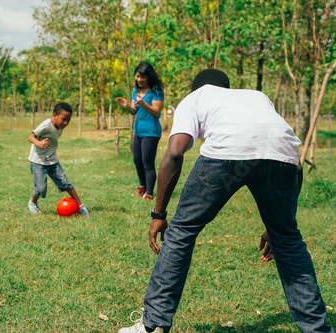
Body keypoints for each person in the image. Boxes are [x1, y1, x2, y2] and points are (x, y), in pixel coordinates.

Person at [120, 69, 334, 333]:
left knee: (181, 232)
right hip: (283, 159)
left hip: (226, 153)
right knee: (288, 241)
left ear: (196, 87)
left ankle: (153, 325)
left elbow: (175, 152)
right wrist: (279, 226)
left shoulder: (195, 98)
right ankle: (317, 329)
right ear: (227, 87)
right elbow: (294, 162)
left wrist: (159, 215)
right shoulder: (257, 97)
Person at [27, 102, 89, 216]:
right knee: (40, 188)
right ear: (54, 115)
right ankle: (32, 203)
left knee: (66, 183)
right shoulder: (46, 125)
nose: (65, 123)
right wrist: (39, 143)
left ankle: (81, 207)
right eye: (63, 119)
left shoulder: (60, 126)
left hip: (52, 161)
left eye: (68, 121)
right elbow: (31, 136)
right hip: (38, 161)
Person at [115, 61, 165, 200]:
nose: (139, 79)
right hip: (138, 131)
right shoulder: (135, 90)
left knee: (147, 162)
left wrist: (144, 103)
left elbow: (156, 112)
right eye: (137, 76)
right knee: (137, 160)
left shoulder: (156, 91)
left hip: (151, 132)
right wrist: (126, 105)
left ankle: (149, 193)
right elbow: (133, 110)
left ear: (149, 77)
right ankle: (142, 186)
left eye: (142, 77)